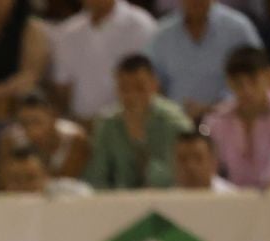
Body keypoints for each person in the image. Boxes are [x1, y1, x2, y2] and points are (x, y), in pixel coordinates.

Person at [204, 45, 270, 187]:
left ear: (268, 77)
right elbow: (212, 169)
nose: (247, 90)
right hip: (230, 201)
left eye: (253, 81)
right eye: (238, 84)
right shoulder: (215, 119)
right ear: (229, 83)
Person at [85, 52, 193, 187]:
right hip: (120, 202)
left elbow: (186, 174)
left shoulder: (175, 123)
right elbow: (97, 177)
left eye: (139, 88)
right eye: (124, 88)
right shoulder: (107, 124)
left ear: (154, 85)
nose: (132, 96)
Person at [145, 0, 261, 117]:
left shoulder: (239, 29)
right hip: (177, 124)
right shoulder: (162, 34)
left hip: (231, 121)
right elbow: (149, 81)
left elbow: (258, 76)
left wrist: (214, 108)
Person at [51, 0, 157, 121]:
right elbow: (63, 87)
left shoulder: (141, 26)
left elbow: (148, 86)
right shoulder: (67, 32)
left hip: (129, 126)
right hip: (81, 126)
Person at [0, 91, 90, 182]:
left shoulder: (74, 139)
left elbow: (67, 180)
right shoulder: (10, 139)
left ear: (53, 118)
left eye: (36, 122)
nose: (31, 129)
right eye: (24, 123)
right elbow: (2, 182)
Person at [173, 122, 239, 187]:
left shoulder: (234, 196)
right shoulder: (167, 196)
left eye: (198, 158)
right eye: (183, 159)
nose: (190, 166)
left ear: (214, 162)